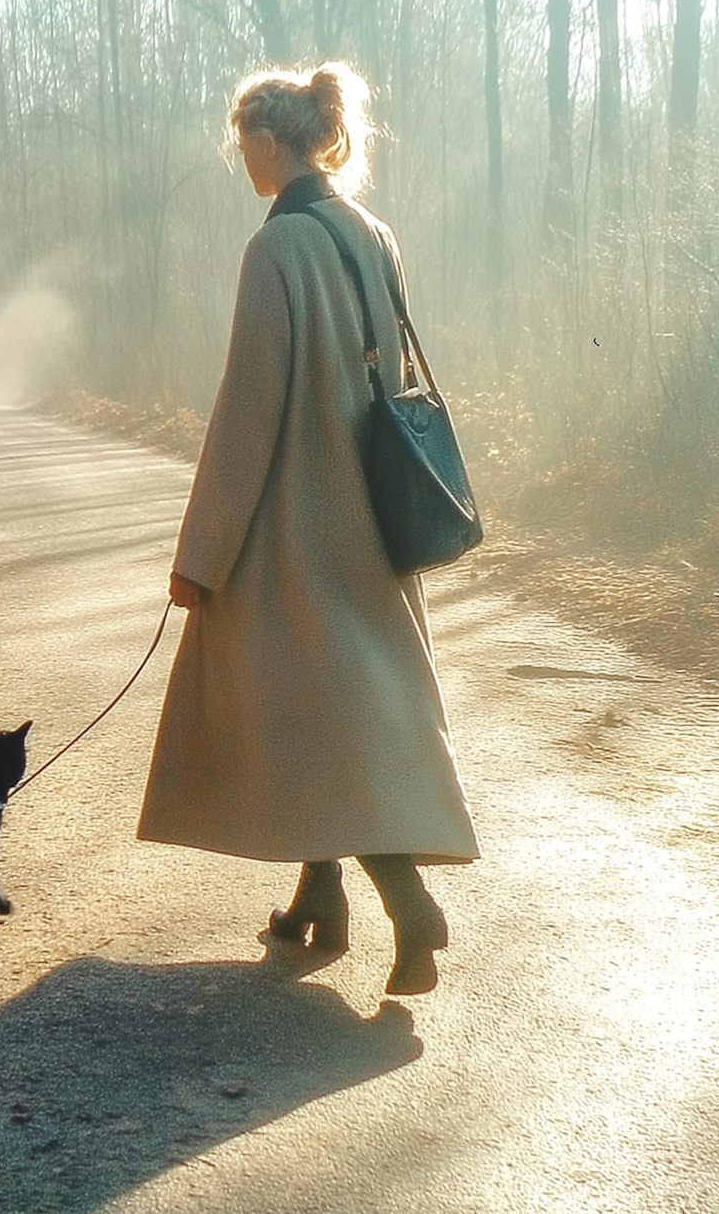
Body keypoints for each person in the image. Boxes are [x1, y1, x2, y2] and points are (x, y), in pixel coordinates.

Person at [137, 62, 479, 996]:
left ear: (270, 139)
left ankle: (410, 908)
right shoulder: (374, 232)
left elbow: (248, 413)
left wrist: (202, 556)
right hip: (374, 514)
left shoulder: (276, 250)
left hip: (295, 524)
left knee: (307, 714)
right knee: (341, 715)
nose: (237, 152)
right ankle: (317, 898)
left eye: (242, 136)